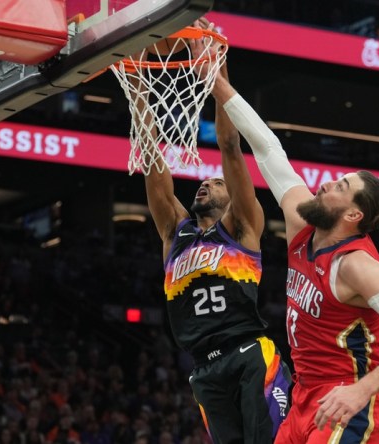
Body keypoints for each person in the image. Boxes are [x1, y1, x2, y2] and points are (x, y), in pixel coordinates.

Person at [210, 66, 379, 443]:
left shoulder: (356, 266)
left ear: (354, 215)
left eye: (340, 186)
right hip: (305, 395)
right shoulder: (301, 223)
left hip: (348, 401)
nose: (324, 184)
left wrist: (362, 390)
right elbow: (269, 148)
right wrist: (220, 85)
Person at [135, 20, 291, 444]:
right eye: (203, 183)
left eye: (215, 183)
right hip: (203, 367)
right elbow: (153, 163)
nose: (205, 183)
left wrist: (217, 74)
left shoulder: (242, 226)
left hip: (250, 353)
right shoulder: (174, 232)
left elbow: (229, 148)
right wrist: (139, 89)